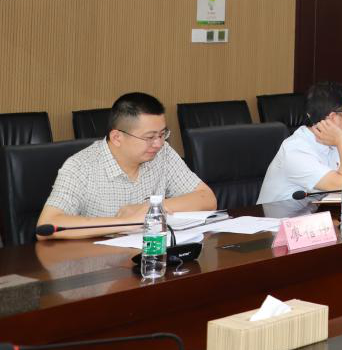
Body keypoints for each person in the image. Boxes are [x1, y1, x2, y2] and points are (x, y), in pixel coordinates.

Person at [38, 92, 217, 239]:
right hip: (100, 264)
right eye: (150, 137)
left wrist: (154, 208)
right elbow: (47, 225)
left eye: (162, 134)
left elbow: (207, 199)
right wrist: (128, 222)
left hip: (152, 257)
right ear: (117, 137)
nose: (158, 143)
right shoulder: (80, 166)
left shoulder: (163, 154)